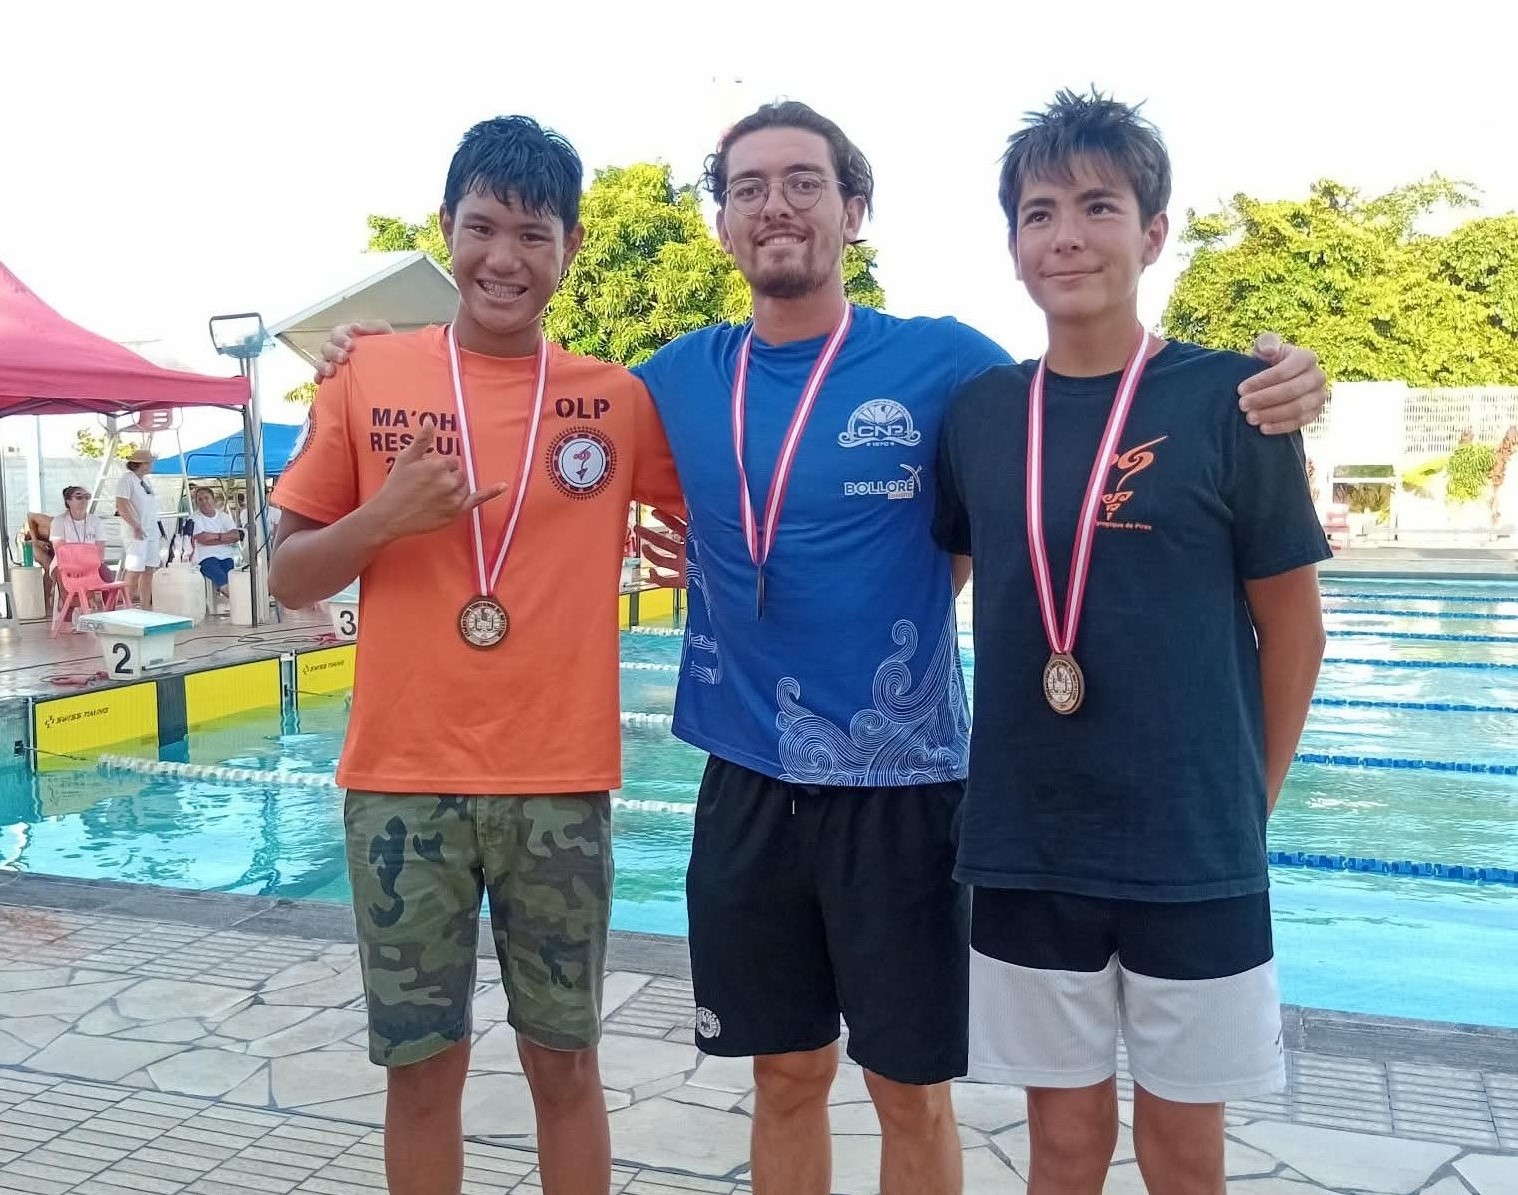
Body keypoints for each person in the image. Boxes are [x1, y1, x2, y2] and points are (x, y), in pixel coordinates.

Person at [314, 100, 1329, 1195]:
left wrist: (1290, 378)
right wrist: (364, 350)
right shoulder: (671, 379)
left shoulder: (951, 367)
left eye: (803, 182)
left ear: (854, 210)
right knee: (786, 1075)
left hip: (904, 784)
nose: (775, 206)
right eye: (747, 187)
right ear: (721, 225)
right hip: (747, 778)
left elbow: (1073, 424)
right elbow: (524, 405)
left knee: (909, 1089)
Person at [267, 115, 682, 1195]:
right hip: (403, 782)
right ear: (446, 228)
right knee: (420, 1074)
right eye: (482, 226)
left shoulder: (618, 398)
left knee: (566, 1066)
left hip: (558, 778)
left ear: (571, 246)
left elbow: (716, 530)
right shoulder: (366, 377)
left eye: (532, 233)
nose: (505, 257)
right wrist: (385, 516)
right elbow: (291, 573)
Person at [933, 90, 1330, 1195]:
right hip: (1027, 836)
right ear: (1011, 243)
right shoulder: (979, 413)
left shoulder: (1230, 401)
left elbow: (1293, 628)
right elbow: (950, 573)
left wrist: (1249, 800)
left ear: (1152, 233)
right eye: (1040, 212)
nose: (1067, 235)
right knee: (1060, 1142)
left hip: (1190, 846)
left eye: (1098, 206)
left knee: (1184, 1149)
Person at [115, 448, 162, 606]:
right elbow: (121, 505)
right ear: (141, 464)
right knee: (134, 569)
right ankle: (127, 606)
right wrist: (135, 525)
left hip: (151, 529)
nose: (151, 465)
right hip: (136, 530)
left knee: (149, 569)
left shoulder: (146, 481)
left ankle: (145, 606)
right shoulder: (127, 480)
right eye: (149, 462)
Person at [188, 486, 239, 600]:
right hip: (205, 557)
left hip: (226, 556)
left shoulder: (223, 516)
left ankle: (238, 601)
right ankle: (238, 601)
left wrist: (215, 536)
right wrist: (225, 538)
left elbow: (236, 536)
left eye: (206, 498)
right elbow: (204, 539)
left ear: (213, 499)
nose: (204, 502)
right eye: (200, 499)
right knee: (221, 578)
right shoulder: (194, 518)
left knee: (233, 577)